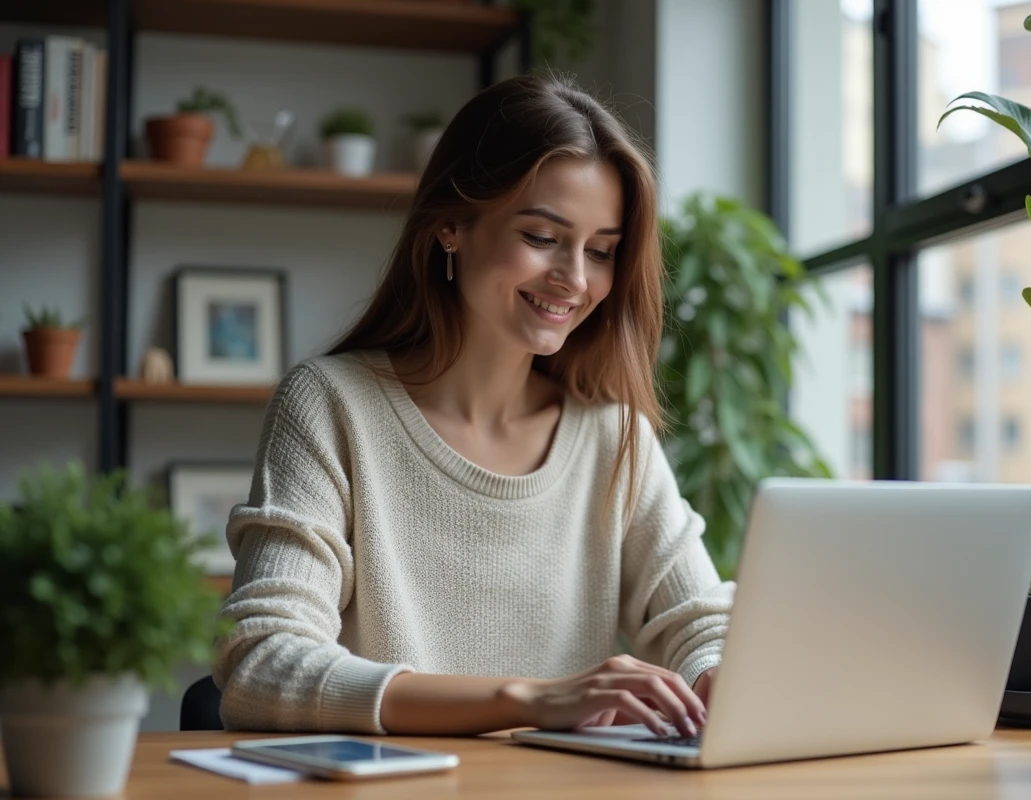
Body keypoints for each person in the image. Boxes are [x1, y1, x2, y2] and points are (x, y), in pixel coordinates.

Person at [212, 73, 734, 738]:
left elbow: (699, 622)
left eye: (601, 251)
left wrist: (715, 673)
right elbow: (262, 664)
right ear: (453, 225)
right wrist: (528, 700)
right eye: (544, 237)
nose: (575, 279)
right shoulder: (332, 405)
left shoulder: (612, 435)